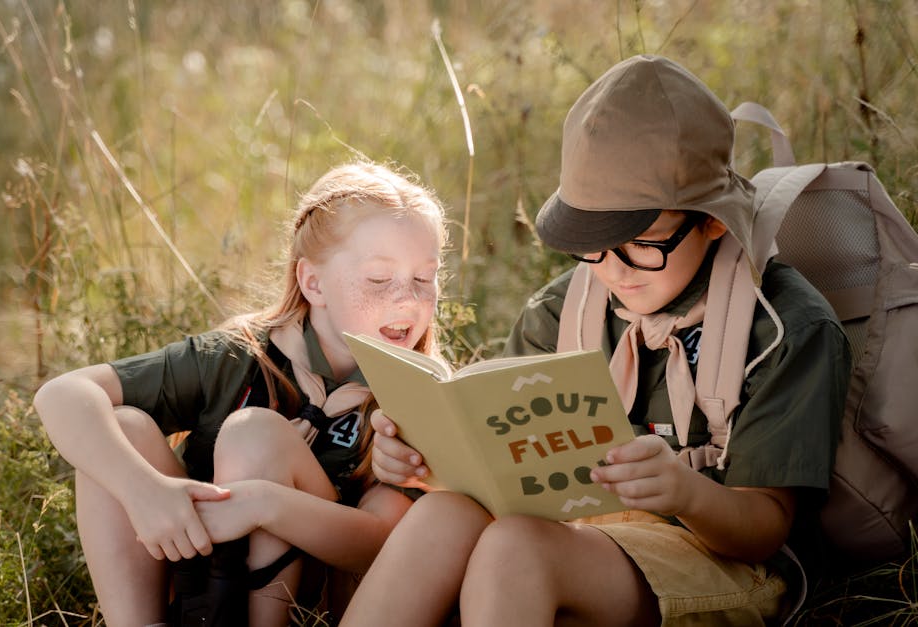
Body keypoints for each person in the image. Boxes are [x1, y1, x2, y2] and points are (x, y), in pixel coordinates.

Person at [341, 55, 851, 626]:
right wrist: (422, 459)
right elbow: (502, 472)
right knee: (443, 515)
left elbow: (763, 530)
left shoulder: (783, 328)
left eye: (643, 243)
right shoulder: (561, 311)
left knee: (516, 551)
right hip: (578, 537)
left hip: (722, 562)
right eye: (593, 245)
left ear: (712, 220)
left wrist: (685, 493)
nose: (615, 270)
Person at [32, 161, 447, 627]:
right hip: (196, 571)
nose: (407, 299)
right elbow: (62, 394)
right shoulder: (240, 356)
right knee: (122, 429)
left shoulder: (419, 394)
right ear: (313, 283)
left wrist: (262, 503)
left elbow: (378, 544)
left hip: (317, 596)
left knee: (257, 435)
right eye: (378, 279)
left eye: (424, 279)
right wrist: (143, 491)